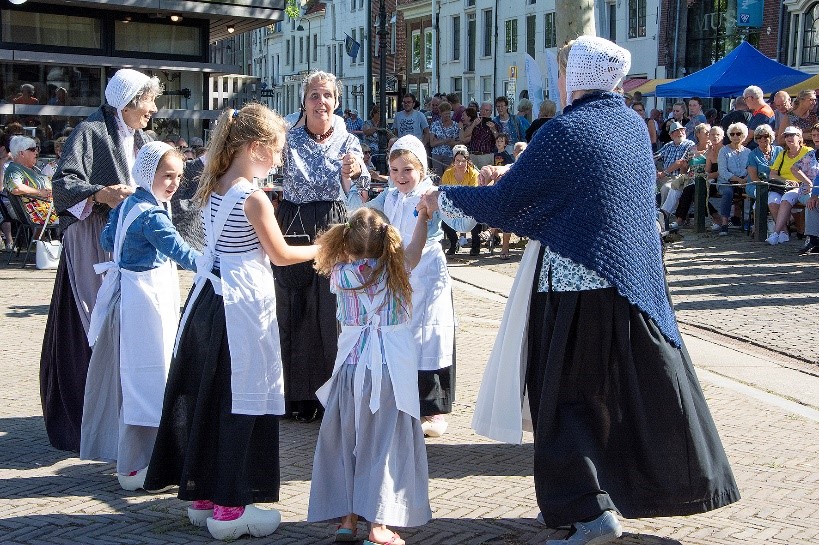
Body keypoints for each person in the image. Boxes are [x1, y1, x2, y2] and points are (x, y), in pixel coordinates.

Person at [422, 35, 739, 545]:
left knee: (565, 402)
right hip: (626, 284)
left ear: (582, 76)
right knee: (618, 397)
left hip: (572, 290)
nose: (560, 79)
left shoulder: (564, 130)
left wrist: (446, 196)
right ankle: (616, 496)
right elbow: (592, 197)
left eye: (566, 70)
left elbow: (510, 202)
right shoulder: (632, 126)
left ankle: (588, 512)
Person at [143, 104, 320, 541]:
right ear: (255, 147)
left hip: (209, 300)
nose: (280, 159)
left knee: (211, 393)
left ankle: (204, 497)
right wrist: (324, 249)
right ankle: (230, 507)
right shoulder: (254, 198)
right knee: (243, 399)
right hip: (242, 307)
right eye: (277, 150)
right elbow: (279, 254)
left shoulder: (214, 186)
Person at [43, 68, 161, 452]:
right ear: (128, 102)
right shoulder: (90, 132)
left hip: (126, 242)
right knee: (93, 321)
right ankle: (85, 414)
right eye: (148, 101)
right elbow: (63, 186)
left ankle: (120, 413)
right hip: (93, 240)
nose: (153, 110)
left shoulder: (141, 137)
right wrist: (100, 194)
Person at [307, 205, 432, 545]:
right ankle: (379, 524)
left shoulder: (339, 274)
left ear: (345, 242)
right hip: (389, 371)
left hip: (349, 370)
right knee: (384, 444)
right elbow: (417, 248)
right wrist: (422, 218)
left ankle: (347, 521)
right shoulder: (397, 270)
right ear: (387, 240)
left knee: (348, 441)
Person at [80, 142, 200, 491]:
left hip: (128, 297)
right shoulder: (151, 214)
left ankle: (133, 458)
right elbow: (179, 251)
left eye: (178, 175)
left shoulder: (131, 203)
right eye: (167, 175)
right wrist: (215, 267)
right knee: (148, 377)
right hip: (146, 303)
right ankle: (139, 463)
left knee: (132, 375)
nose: (174, 183)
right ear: (148, 174)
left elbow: (106, 237)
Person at [274, 70, 370, 423]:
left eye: (327, 95)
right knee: (293, 307)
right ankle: (296, 397)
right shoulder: (287, 132)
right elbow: (265, 147)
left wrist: (354, 169)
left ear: (337, 101)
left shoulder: (346, 138)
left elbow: (357, 179)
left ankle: (333, 395)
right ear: (304, 101)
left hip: (332, 222)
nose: (321, 102)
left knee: (332, 312)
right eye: (314, 95)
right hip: (294, 221)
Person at [366, 136, 476, 439]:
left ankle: (434, 409)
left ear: (422, 169)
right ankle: (404, 401)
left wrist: (456, 199)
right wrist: (350, 183)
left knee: (429, 337)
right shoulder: (388, 198)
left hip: (427, 272)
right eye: (395, 170)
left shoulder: (431, 194)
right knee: (400, 336)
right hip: (398, 273)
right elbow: (359, 214)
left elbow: (464, 224)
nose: (401, 177)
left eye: (408, 170)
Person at [766, 126, 812, 245]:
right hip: (783, 186)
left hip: (800, 187)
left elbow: (811, 173)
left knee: (786, 200)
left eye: (792, 135)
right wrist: (785, 181)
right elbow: (773, 174)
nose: (789, 138)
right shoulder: (782, 154)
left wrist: (799, 182)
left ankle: (775, 233)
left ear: (799, 137)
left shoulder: (808, 152)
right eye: (786, 136)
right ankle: (784, 232)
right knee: (772, 201)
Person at [3, 136, 58, 228]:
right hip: (37, 211)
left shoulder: (33, 168)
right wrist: (40, 192)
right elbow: (16, 188)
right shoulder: (14, 169)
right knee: (75, 215)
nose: (36, 152)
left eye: (37, 149)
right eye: (32, 149)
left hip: (47, 208)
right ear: (21, 153)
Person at [439, 145, 482, 257]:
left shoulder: (474, 174)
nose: (460, 164)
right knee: (443, 219)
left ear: (467, 161)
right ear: (454, 161)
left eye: (463, 161)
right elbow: (444, 191)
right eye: (457, 161)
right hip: (453, 205)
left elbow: (473, 193)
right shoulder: (448, 173)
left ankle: (475, 245)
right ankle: (453, 242)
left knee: (475, 218)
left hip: (469, 205)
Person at [716, 122, 751, 236]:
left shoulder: (748, 152)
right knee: (727, 193)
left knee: (754, 192)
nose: (735, 136)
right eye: (732, 134)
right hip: (726, 182)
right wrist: (737, 179)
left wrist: (745, 179)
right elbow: (722, 171)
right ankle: (725, 223)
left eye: (738, 133)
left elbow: (750, 168)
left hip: (744, 181)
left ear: (744, 135)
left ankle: (749, 221)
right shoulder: (724, 151)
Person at [746, 124, 782, 223]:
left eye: (765, 136)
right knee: (764, 194)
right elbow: (754, 178)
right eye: (758, 137)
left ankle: (779, 224)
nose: (762, 139)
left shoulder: (779, 151)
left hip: (777, 185)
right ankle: (760, 226)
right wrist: (768, 187)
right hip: (756, 185)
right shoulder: (752, 155)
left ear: (771, 136)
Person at [428, 101, 460, 177]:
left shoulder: (455, 125)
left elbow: (458, 142)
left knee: (449, 177)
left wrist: (438, 141)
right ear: (440, 114)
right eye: (445, 114)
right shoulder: (435, 125)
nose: (447, 116)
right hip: (436, 155)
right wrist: (445, 140)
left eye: (449, 114)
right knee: (437, 177)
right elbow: (432, 143)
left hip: (450, 155)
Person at [463, 102, 498, 168]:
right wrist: (473, 125)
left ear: (491, 112)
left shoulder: (494, 124)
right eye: (483, 109)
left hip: (486, 156)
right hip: (473, 155)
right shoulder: (474, 122)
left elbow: (498, 140)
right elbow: (465, 135)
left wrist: (493, 130)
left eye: (487, 110)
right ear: (479, 110)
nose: (484, 112)